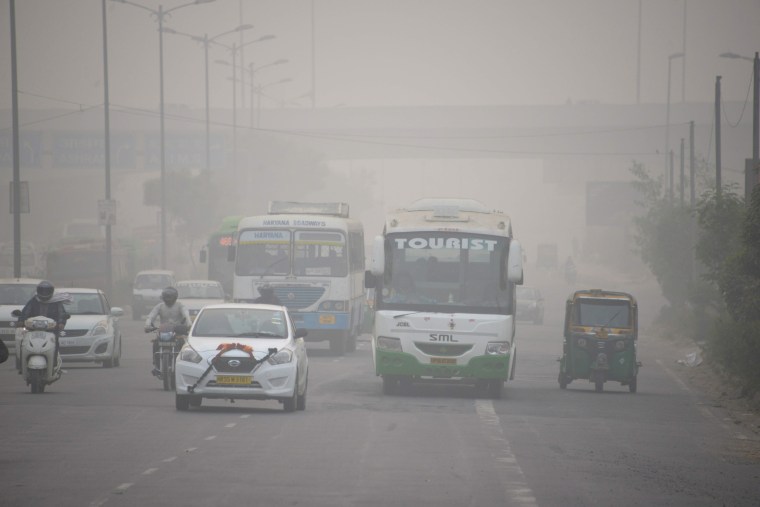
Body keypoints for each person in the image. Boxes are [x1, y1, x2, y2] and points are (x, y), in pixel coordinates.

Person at [18, 280, 70, 371]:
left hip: (51, 330)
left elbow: (62, 313)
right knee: (23, 342)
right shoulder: (33, 300)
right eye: (42, 290)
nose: (44, 293)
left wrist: (61, 323)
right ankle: (22, 365)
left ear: (51, 291)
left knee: (55, 343)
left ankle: (53, 364)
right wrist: (21, 321)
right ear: (38, 291)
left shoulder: (56, 301)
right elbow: (25, 311)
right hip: (33, 329)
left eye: (47, 291)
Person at [144, 286, 191, 377]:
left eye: (170, 298)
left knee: (183, 346)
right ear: (163, 298)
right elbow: (151, 316)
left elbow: (186, 315)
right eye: (166, 298)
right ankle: (157, 365)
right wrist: (147, 325)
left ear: (175, 298)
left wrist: (189, 324)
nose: (168, 300)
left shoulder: (180, 305)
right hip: (163, 331)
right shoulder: (160, 306)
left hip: (177, 332)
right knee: (156, 344)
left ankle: (183, 365)